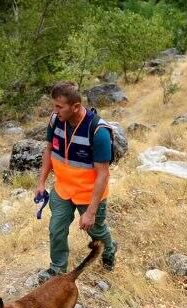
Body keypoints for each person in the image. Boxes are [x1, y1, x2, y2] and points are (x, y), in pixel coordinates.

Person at [35, 81, 117, 282]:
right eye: (54, 105)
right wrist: (41, 183)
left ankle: (109, 250)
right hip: (63, 190)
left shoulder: (99, 132)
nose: (54, 111)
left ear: (76, 107)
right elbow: (48, 151)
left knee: (96, 231)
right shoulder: (55, 121)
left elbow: (103, 175)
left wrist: (90, 212)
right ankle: (57, 269)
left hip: (89, 195)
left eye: (59, 106)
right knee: (56, 229)